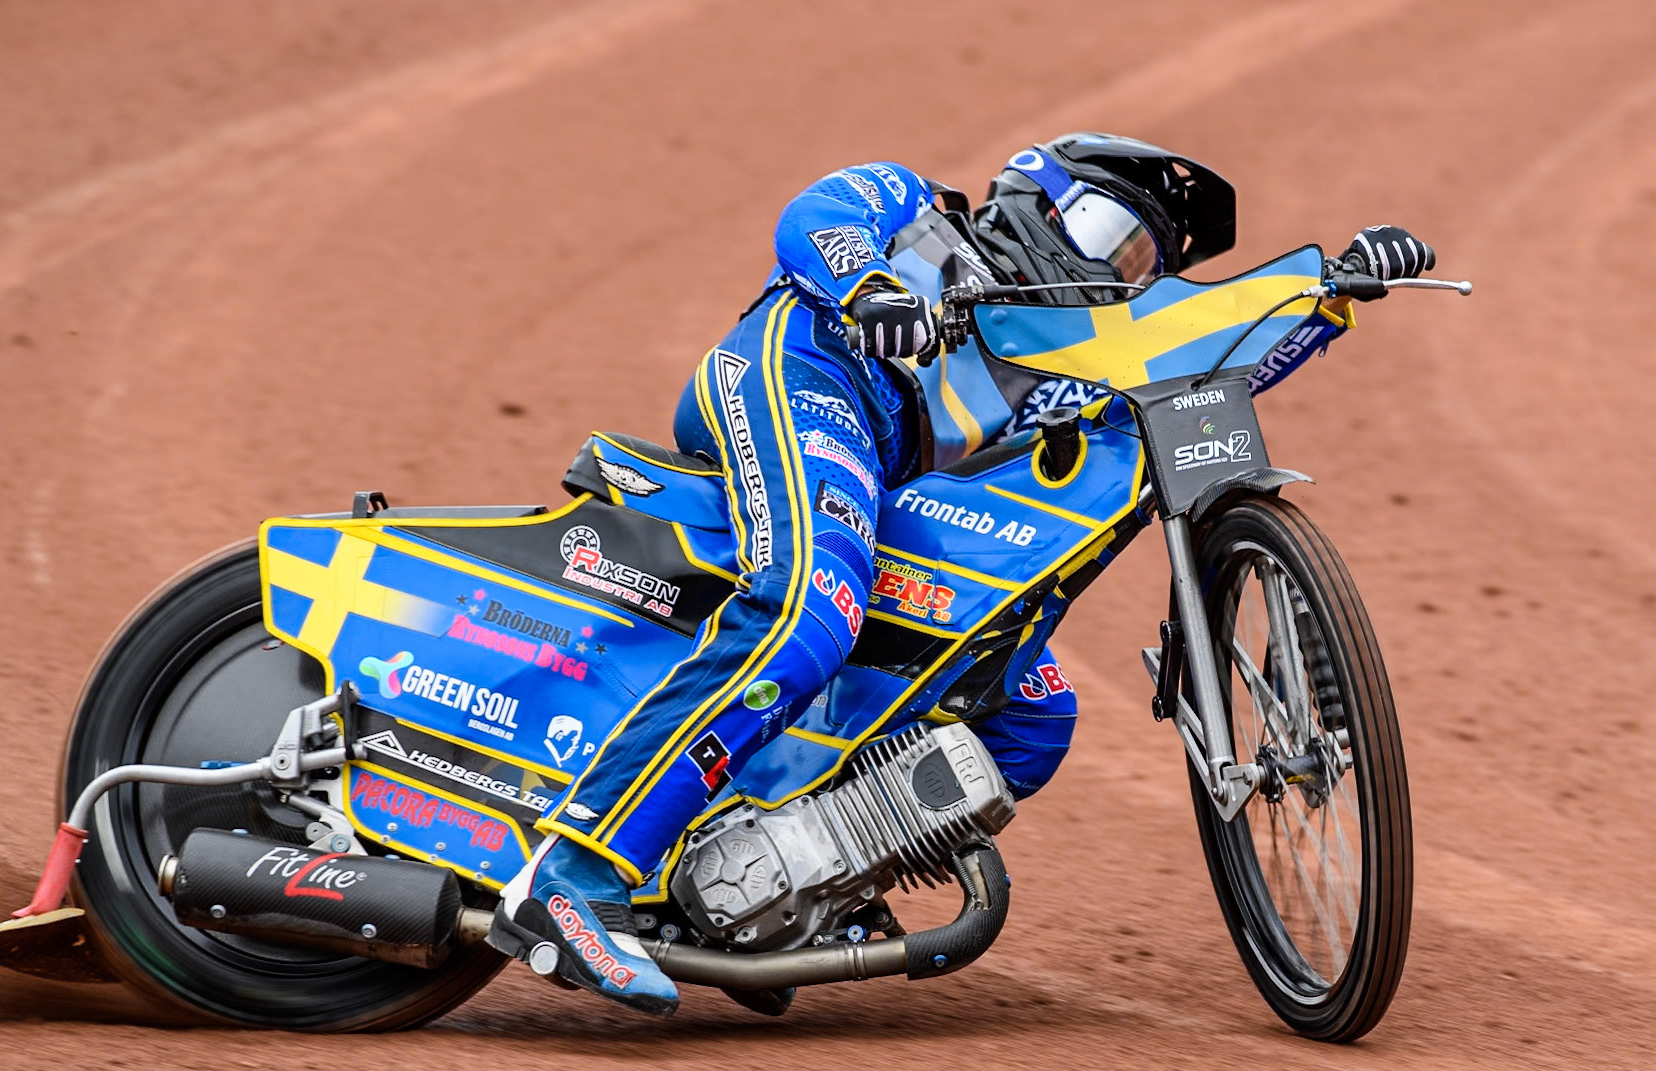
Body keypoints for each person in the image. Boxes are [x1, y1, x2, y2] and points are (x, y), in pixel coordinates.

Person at [489, 133, 1437, 1016]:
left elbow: (1203, 352)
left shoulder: (1063, 355)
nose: (1124, 272)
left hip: (877, 467)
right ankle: (574, 872)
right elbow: (816, 215)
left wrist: (1334, 290)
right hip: (804, 375)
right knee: (812, 611)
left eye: (1145, 262)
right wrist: (870, 287)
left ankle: (786, 883)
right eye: (1114, 235)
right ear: (1036, 200)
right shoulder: (919, 208)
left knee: (1031, 714)